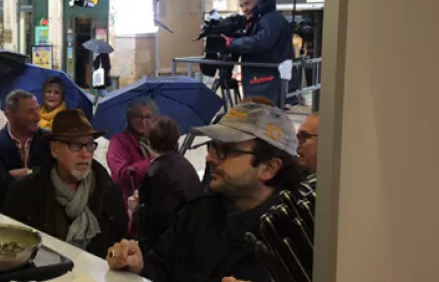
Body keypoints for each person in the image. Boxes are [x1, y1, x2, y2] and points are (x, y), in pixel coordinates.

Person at [107, 103, 304, 282]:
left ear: (269, 167)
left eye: (225, 150)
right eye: (212, 146)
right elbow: (160, 269)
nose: (209, 158)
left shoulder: (299, 234)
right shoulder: (198, 214)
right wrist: (138, 265)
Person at [2, 109, 128, 257]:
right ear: (54, 150)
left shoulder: (108, 191)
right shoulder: (24, 193)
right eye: (75, 145)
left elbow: (120, 242)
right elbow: (11, 248)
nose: (85, 154)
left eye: (89, 145)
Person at [134, 117, 201, 252]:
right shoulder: (186, 165)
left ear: (149, 143)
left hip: (168, 246)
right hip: (192, 236)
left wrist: (137, 207)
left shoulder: (156, 173)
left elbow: (152, 222)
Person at [225, 0, 295, 107]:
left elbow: (261, 42)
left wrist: (232, 43)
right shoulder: (265, 19)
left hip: (267, 81)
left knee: (264, 117)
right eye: (241, 5)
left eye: (247, 4)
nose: (244, 9)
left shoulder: (271, 19)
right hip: (263, 80)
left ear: (260, 1)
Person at [0, 89, 53, 209]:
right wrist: (38, 173)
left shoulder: (49, 140)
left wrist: (26, 172)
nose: (38, 117)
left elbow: (54, 175)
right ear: (10, 115)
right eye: (31, 112)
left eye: (37, 109)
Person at [106, 98, 158, 206]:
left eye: (148, 117)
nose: (143, 121)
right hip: (125, 206)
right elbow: (122, 174)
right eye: (138, 116)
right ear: (129, 118)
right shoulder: (118, 141)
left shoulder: (156, 140)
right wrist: (153, 162)